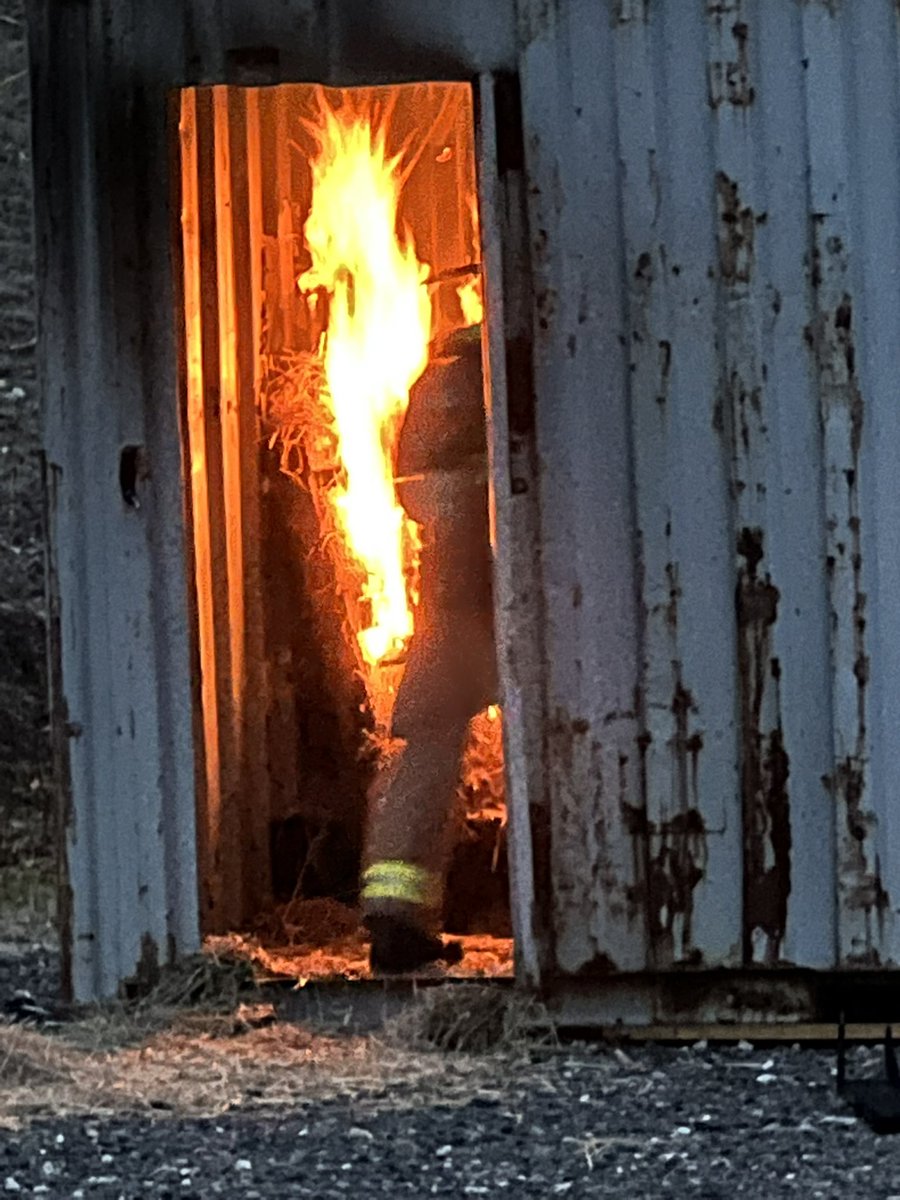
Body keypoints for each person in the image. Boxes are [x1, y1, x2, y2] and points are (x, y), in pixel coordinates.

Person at [361, 324, 498, 973]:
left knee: (427, 749)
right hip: (510, 588)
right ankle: (565, 909)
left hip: (448, 594)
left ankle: (394, 912)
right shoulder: (505, 361)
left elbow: (412, 492)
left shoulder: (436, 377)